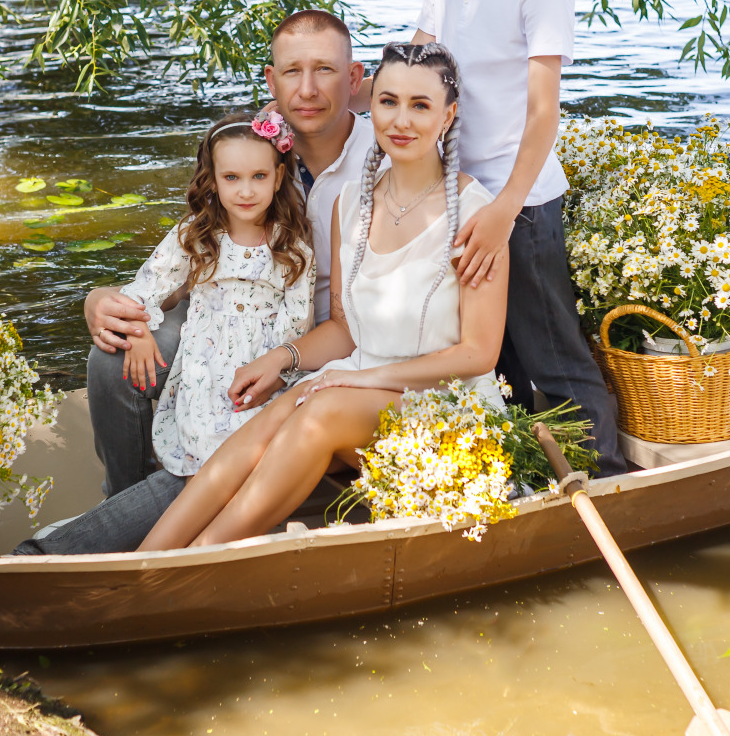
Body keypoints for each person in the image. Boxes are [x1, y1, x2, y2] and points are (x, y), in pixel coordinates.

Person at [15, 13, 374, 554]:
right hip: (232, 319)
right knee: (115, 355)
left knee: (238, 418)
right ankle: (128, 498)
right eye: (292, 72)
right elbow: (185, 263)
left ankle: (134, 526)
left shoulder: (386, 155)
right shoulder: (253, 148)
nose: (307, 88)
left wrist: (285, 358)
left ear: (355, 78)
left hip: (320, 337)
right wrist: (105, 304)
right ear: (270, 81)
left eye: (324, 69)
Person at [137, 42, 508, 549]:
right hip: (362, 389)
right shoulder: (350, 202)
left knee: (319, 406)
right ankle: (147, 559)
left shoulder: (476, 215)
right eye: (388, 101)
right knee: (278, 413)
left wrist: (359, 380)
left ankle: (192, 565)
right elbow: (344, 327)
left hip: (448, 404)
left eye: (420, 105)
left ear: (449, 115)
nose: (401, 120)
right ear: (370, 106)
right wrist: (286, 359)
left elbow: (477, 354)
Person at [408, 0, 624, 476]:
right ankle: (528, 478)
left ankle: (608, 478)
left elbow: (542, 114)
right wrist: (349, 96)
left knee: (550, 352)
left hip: (519, 206)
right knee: (492, 356)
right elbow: (419, 58)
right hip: (463, 194)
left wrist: (505, 211)